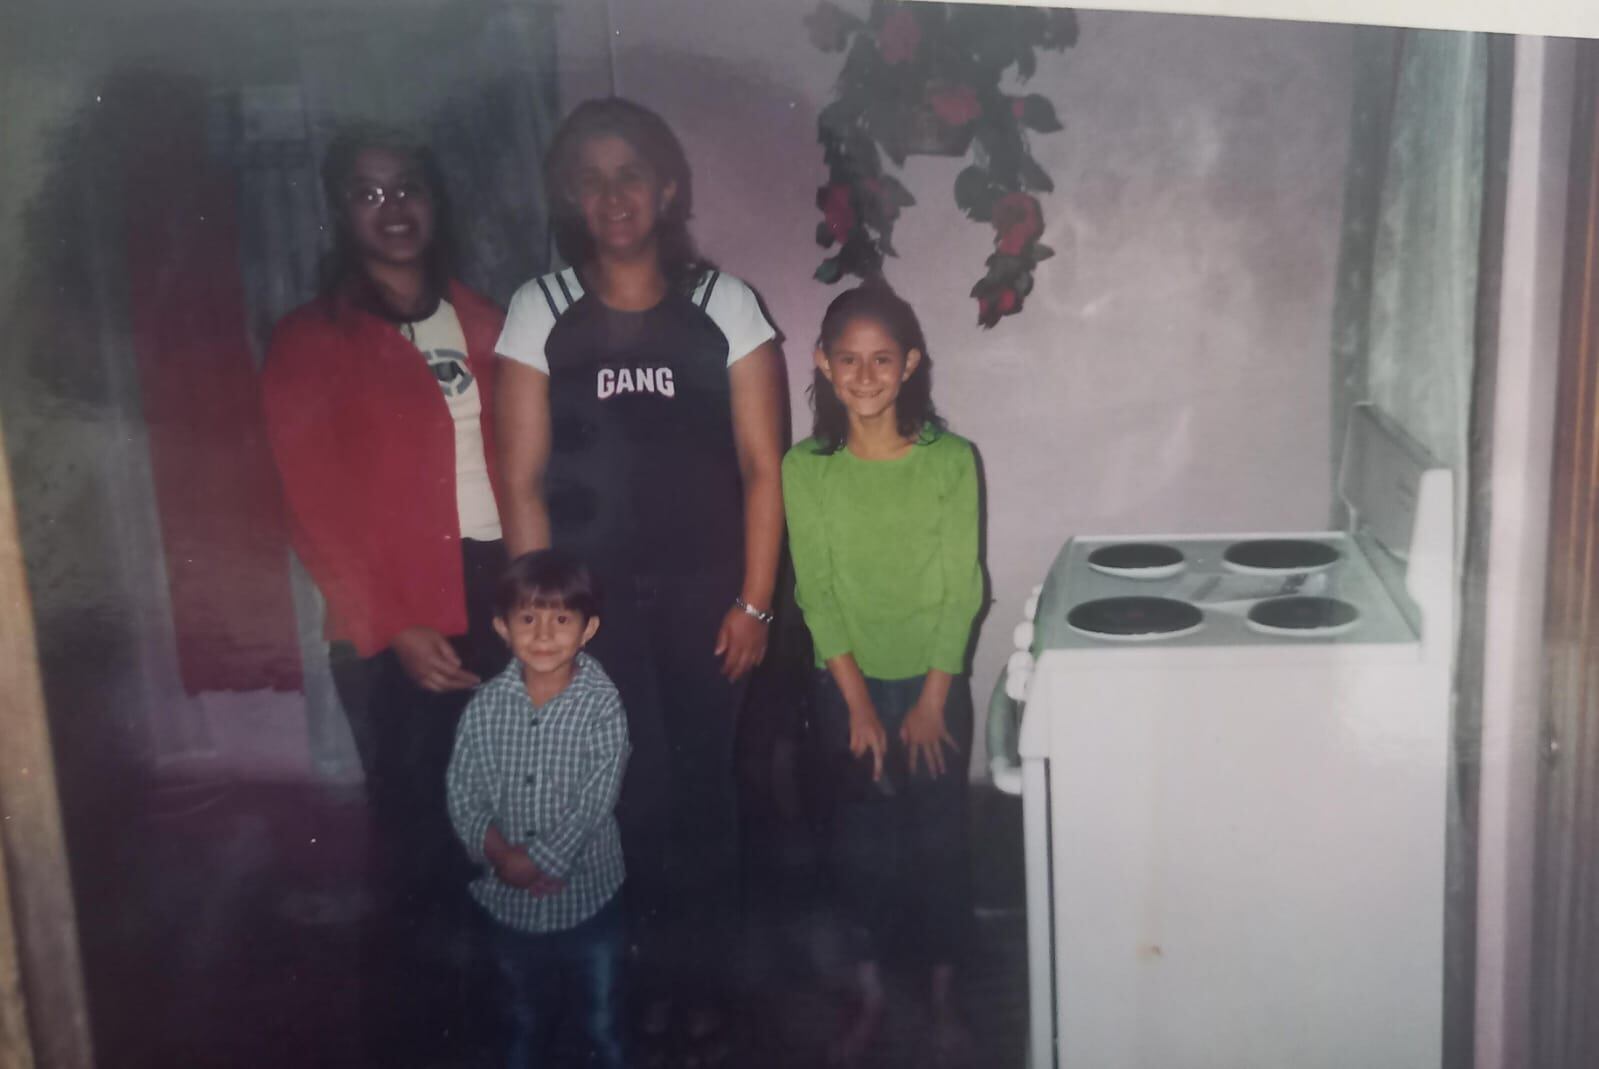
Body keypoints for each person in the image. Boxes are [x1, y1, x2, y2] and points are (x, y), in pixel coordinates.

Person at [494, 97, 785, 1058]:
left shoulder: (725, 307)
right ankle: (644, 979)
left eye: (632, 174)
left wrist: (753, 601)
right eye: (593, 177)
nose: (613, 195)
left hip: (710, 601)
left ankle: (706, 986)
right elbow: (525, 480)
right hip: (592, 610)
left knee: (702, 791)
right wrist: (541, 624)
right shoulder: (539, 309)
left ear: (666, 189)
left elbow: (760, 469)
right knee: (626, 794)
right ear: (571, 196)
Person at [260, 126, 509, 1064]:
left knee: (507, 825)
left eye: (407, 187)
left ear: (434, 199)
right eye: (368, 194)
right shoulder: (309, 339)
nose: (393, 207)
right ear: (339, 212)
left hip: (498, 597)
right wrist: (390, 620)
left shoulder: (488, 319)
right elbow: (309, 500)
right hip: (388, 616)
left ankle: (505, 1029)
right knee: (417, 845)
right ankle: (421, 1041)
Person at [781, 282, 984, 1066]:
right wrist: (855, 703)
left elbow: (960, 583)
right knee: (859, 845)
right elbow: (816, 589)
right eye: (848, 359)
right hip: (847, 686)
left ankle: (940, 993)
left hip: (935, 682)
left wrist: (934, 697)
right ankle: (867, 994)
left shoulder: (950, 460)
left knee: (936, 839)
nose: (864, 375)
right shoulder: (808, 468)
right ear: (823, 366)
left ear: (910, 366)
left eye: (881, 359)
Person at [447, 549, 630, 1069]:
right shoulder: (486, 706)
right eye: (528, 618)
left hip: (589, 898)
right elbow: (464, 790)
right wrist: (503, 856)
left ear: (588, 628)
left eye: (561, 619)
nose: (544, 635)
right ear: (502, 628)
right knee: (521, 1023)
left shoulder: (601, 704)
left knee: (602, 1022)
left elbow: (598, 796)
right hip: (510, 905)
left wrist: (542, 859)